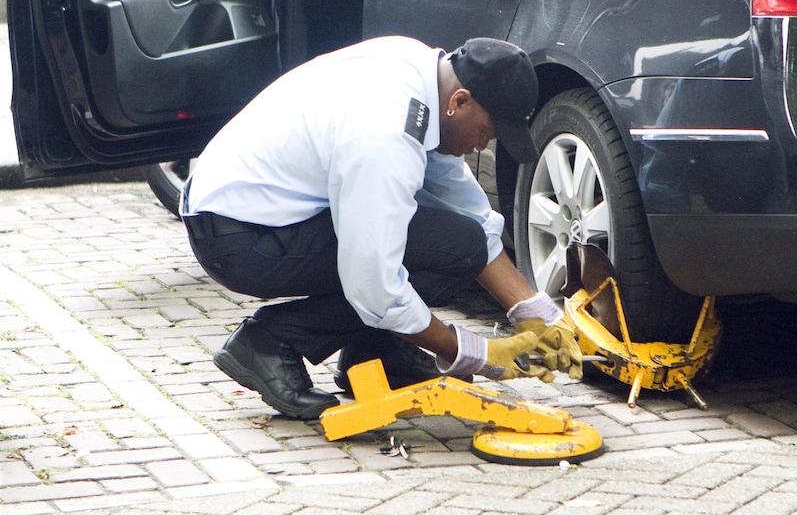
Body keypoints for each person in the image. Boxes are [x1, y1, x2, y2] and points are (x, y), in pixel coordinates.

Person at [179, 36, 583, 419]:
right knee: (446, 250)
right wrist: (478, 353)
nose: (483, 147)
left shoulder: (423, 78)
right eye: (486, 134)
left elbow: (472, 214)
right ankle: (269, 340)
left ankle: (373, 349)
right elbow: (373, 283)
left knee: (462, 242)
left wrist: (534, 313)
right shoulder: (387, 133)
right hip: (240, 237)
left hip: (257, 210)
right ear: (460, 102)